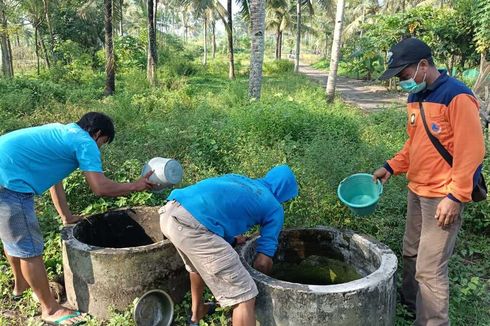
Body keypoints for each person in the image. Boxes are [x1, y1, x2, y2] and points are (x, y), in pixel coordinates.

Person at [0, 112, 155, 325]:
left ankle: (21, 286)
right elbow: (99, 187)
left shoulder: (62, 132)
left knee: (13, 240)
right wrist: (135, 185)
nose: (99, 148)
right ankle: (51, 310)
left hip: (4, 172)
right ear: (98, 134)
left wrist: (66, 216)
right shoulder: (85, 142)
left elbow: (55, 181)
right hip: (8, 184)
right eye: (103, 143)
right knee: (29, 249)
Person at [373, 38, 485, 325]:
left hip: (442, 197)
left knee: (430, 269)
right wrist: (391, 166)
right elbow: (415, 144)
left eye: (404, 75)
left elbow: (471, 151)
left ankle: (432, 321)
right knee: (411, 252)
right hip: (417, 190)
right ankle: (411, 305)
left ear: (423, 65)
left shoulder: (457, 96)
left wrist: (456, 196)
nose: (402, 82)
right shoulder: (416, 96)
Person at [159, 165, 298, 326]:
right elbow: (262, 262)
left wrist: (231, 240)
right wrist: (260, 286)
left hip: (171, 211)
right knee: (245, 293)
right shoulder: (274, 207)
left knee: (197, 266)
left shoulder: (241, 180)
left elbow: (214, 207)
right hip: (191, 226)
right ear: (285, 192)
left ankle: (197, 313)